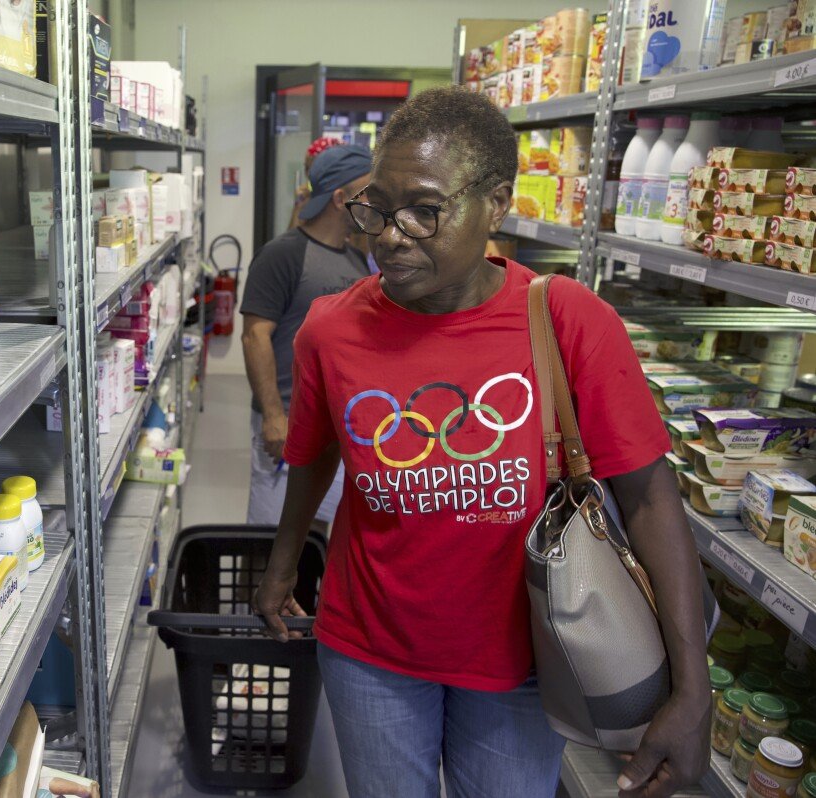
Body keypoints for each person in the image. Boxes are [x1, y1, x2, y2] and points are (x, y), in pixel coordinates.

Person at [253, 86, 710, 798]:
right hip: (371, 650)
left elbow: (651, 500)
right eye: (378, 206)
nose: (391, 235)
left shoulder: (568, 322)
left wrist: (693, 688)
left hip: (526, 661)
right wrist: (283, 566)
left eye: (425, 210)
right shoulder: (329, 329)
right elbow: (315, 453)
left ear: (496, 203)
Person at [240, 144, 373, 526]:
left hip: (334, 425)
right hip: (287, 420)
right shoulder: (283, 254)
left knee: (316, 531)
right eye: (368, 193)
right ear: (339, 198)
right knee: (271, 532)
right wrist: (273, 416)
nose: (376, 202)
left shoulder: (355, 259)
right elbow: (254, 337)